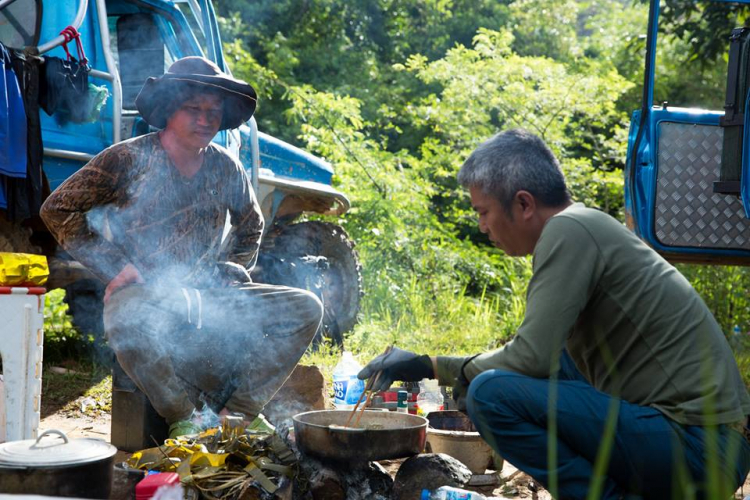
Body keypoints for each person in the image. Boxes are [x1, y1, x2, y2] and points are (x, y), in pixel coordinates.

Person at [358, 129, 750, 499]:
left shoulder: (569, 231)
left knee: (490, 394)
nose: (481, 227)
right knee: (549, 365)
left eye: (483, 211)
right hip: (704, 445)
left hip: (701, 451)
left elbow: (529, 355)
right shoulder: (585, 225)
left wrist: (431, 365)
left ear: (524, 204)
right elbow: (539, 363)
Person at [40, 57, 323, 438]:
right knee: (124, 313)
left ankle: (237, 413)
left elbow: (251, 224)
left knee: (306, 308)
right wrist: (114, 266)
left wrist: (231, 269)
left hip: (209, 294)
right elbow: (57, 209)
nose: (206, 120)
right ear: (170, 109)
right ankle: (184, 418)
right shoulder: (127, 158)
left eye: (214, 111)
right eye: (194, 109)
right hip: (148, 295)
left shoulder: (226, 166)